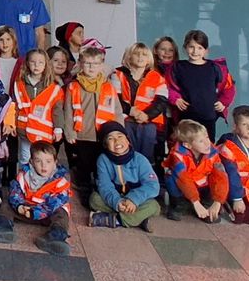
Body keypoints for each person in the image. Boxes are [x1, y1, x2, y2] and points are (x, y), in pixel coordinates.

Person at [91, 121, 162, 230]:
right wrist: (117, 202)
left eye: (120, 136)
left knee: (153, 206)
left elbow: (153, 186)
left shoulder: (140, 159)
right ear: (105, 144)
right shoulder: (103, 160)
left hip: (137, 201)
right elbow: (104, 185)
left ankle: (116, 220)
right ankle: (138, 219)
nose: (117, 141)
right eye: (110, 138)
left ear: (128, 140)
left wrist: (133, 199)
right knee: (94, 199)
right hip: (116, 198)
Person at [167, 29, 235, 142]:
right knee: (186, 145)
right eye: (191, 47)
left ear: (206, 51)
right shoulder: (177, 67)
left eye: (200, 48)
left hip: (208, 115)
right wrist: (176, 99)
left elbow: (229, 87)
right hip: (186, 115)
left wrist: (224, 103)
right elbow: (168, 86)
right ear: (185, 47)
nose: (195, 51)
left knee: (207, 145)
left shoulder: (215, 68)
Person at [12, 48, 77, 164]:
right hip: (24, 131)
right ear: (27, 63)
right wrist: (11, 124)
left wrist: (58, 128)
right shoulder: (19, 84)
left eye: (40, 62)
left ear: (46, 64)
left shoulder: (53, 88)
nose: (36, 65)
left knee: (43, 161)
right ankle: (25, 182)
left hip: (44, 132)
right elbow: (14, 106)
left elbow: (57, 110)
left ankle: (44, 182)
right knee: (25, 159)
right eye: (33, 62)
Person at [8, 140, 73, 255]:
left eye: (48, 161)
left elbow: (53, 204)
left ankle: (55, 237)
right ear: (31, 162)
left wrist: (36, 212)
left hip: (47, 215)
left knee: (62, 213)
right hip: (26, 210)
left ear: (55, 163)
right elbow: (15, 192)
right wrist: (19, 206)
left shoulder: (60, 182)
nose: (44, 166)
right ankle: (2, 226)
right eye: (38, 161)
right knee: (6, 202)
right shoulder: (23, 175)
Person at [109, 43, 167, 166]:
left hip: (149, 121)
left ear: (149, 59)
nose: (140, 57)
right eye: (136, 53)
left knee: (148, 148)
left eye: (144, 54)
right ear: (129, 57)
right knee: (127, 147)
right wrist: (131, 111)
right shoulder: (117, 75)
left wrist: (147, 115)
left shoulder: (157, 77)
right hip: (126, 119)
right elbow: (115, 99)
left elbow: (161, 102)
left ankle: (147, 174)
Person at [64, 44, 108, 204]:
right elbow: (67, 110)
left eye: (95, 63)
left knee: (100, 167)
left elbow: (115, 109)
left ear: (101, 65)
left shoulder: (107, 86)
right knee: (83, 165)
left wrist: (119, 131)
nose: (91, 67)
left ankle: (100, 193)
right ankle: (85, 193)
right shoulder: (73, 86)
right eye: (87, 63)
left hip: (102, 135)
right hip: (82, 134)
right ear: (81, 64)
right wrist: (69, 131)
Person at [163, 119, 228, 222]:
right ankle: (179, 204)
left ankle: (207, 204)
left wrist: (218, 201)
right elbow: (184, 180)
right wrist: (195, 201)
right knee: (172, 178)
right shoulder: (177, 156)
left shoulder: (213, 153)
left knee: (215, 176)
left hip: (202, 185)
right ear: (187, 145)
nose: (207, 143)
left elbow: (221, 177)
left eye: (207, 137)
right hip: (184, 186)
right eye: (201, 141)